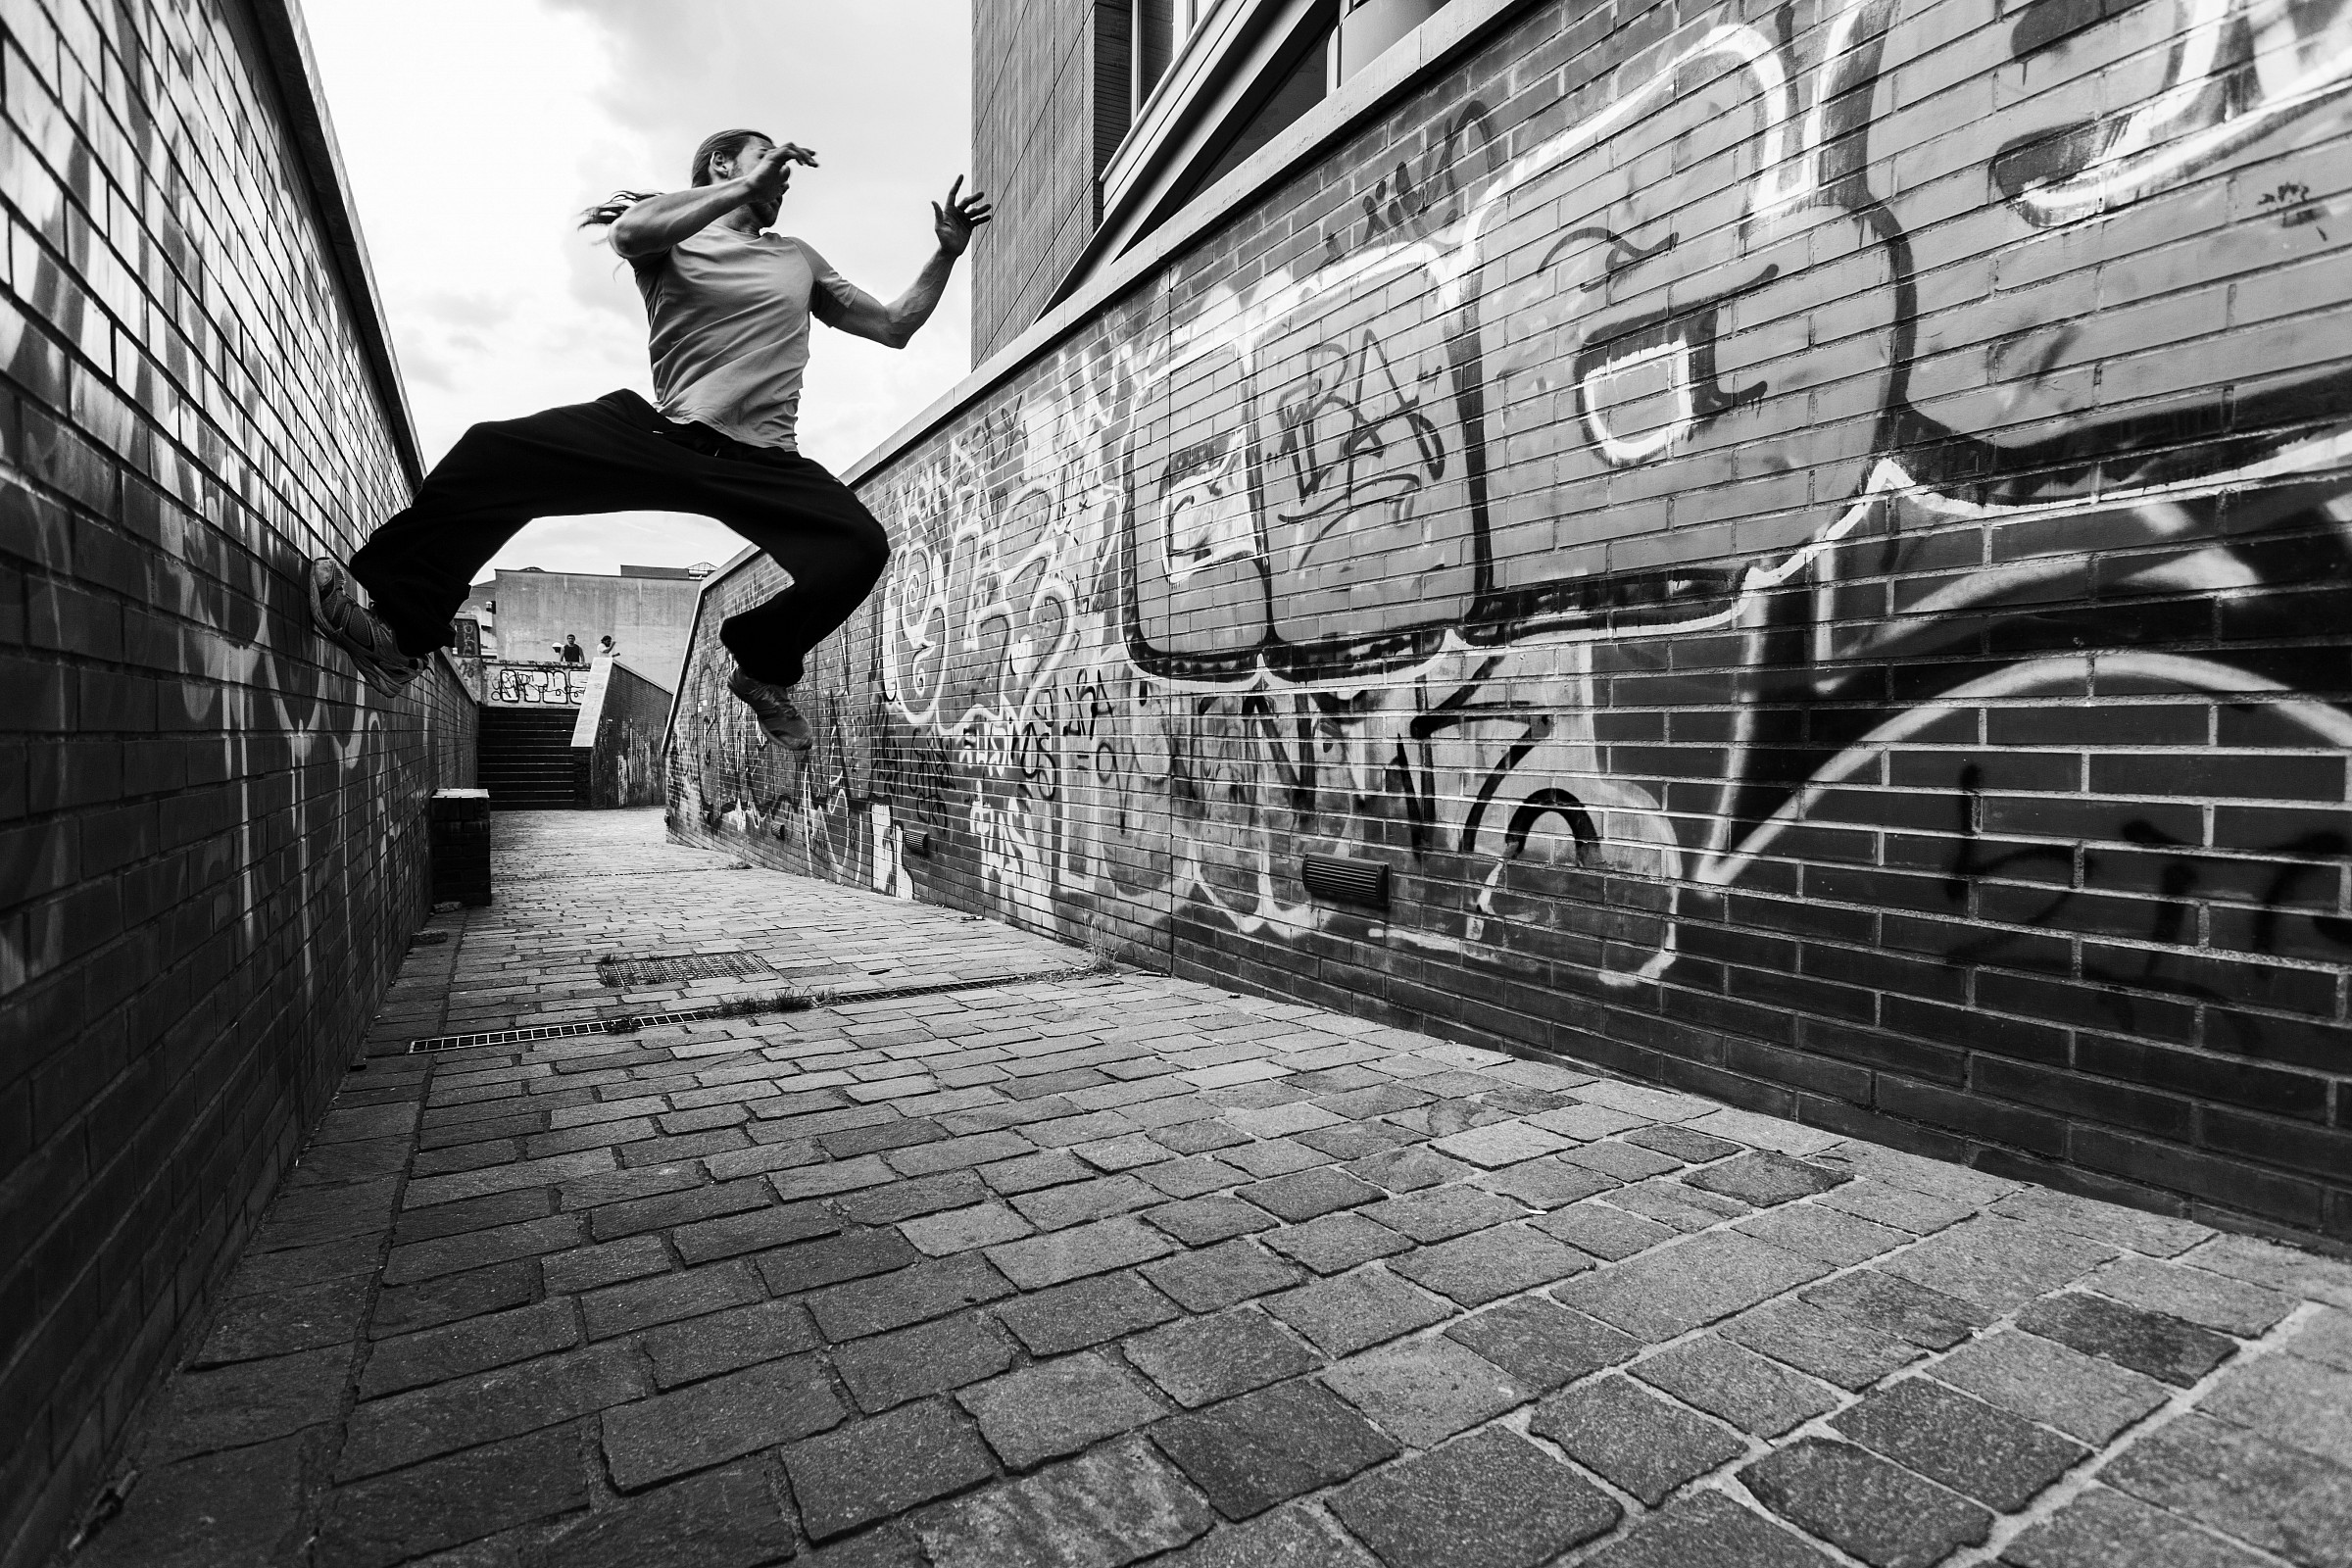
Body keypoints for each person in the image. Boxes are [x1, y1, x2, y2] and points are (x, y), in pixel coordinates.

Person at [307, 129, 991, 750]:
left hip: (763, 461)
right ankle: (401, 636)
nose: (779, 183)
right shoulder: (674, 233)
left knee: (859, 547)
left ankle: (760, 667)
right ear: (722, 165)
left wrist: (945, 252)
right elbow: (631, 233)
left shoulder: (797, 258)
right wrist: (741, 190)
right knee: (492, 452)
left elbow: (895, 325)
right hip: (665, 435)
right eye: (763, 164)